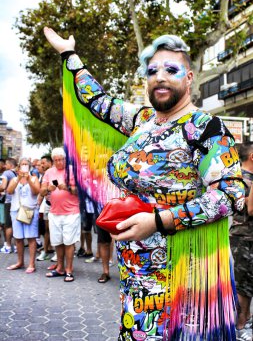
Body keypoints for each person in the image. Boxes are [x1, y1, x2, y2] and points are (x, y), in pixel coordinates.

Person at [44, 27, 245, 340]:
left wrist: (159, 221)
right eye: (152, 70)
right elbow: (96, 99)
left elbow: (232, 195)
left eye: (171, 69)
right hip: (135, 273)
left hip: (182, 277)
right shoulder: (141, 121)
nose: (160, 76)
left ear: (189, 78)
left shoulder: (204, 128)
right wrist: (69, 55)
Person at [40, 147, 80, 282]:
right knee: (57, 242)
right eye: (56, 160)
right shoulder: (49, 172)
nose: (58, 163)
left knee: (69, 242)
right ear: (53, 160)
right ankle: (60, 268)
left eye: (61, 160)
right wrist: (48, 189)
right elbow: (41, 191)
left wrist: (67, 188)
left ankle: (69, 270)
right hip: (54, 212)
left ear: (65, 159)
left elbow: (80, 191)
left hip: (71, 213)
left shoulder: (72, 170)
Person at [230, 142, 253, 341]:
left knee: (248, 283)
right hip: (242, 238)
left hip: (248, 237)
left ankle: (246, 320)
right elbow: (251, 209)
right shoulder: (241, 179)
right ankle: (240, 325)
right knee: (242, 285)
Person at [6, 157, 40, 273]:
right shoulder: (15, 179)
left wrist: (28, 179)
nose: (24, 166)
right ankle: (20, 262)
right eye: (22, 164)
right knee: (18, 238)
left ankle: (31, 263)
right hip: (16, 210)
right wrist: (19, 178)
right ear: (19, 166)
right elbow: (9, 191)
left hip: (29, 210)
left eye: (26, 164)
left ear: (29, 166)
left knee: (31, 237)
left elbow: (36, 191)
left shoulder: (34, 178)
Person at [0, 158, 18, 253]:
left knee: (8, 225)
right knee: (16, 225)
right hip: (17, 202)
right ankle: (16, 246)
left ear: (10, 165)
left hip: (8, 201)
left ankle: (7, 246)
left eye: (6, 164)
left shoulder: (6, 173)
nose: (4, 166)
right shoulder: (18, 174)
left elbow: (3, 187)